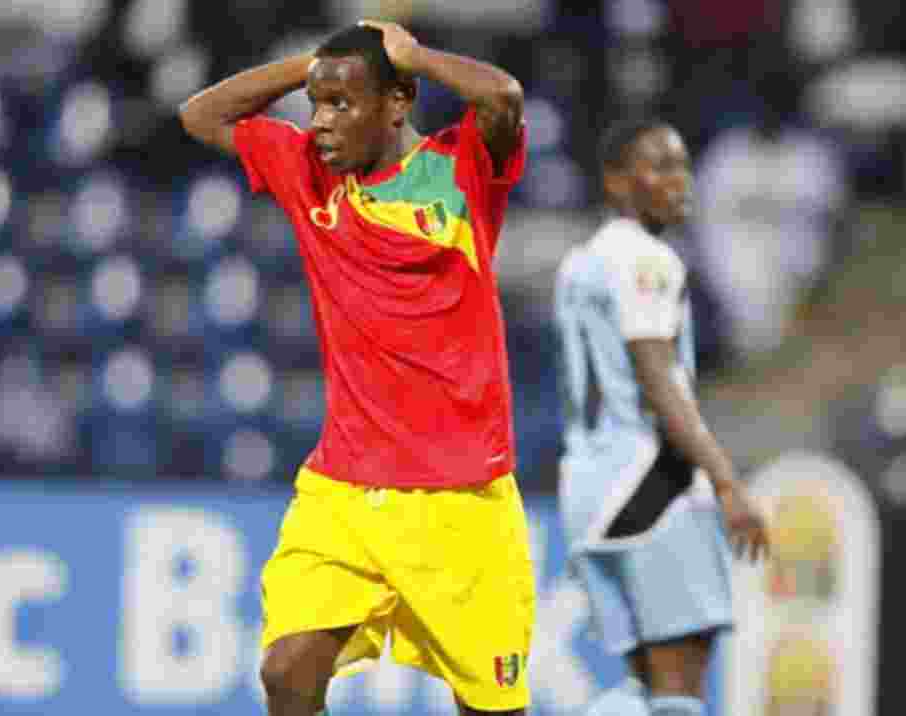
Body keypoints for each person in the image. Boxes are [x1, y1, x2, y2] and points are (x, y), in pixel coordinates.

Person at [179, 21, 533, 716]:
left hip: (460, 499)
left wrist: (419, 57)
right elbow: (200, 115)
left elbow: (504, 100)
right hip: (344, 490)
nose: (319, 123)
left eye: (341, 105)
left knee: (492, 710)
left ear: (397, 103)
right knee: (287, 674)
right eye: (316, 105)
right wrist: (314, 67)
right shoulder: (304, 170)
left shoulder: (459, 172)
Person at [553, 118, 770, 716]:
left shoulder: (578, 262)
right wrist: (726, 480)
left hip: (587, 484)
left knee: (645, 686)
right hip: (651, 484)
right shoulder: (649, 260)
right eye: (660, 166)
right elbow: (657, 381)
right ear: (617, 181)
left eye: (682, 166)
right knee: (680, 686)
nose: (680, 181)